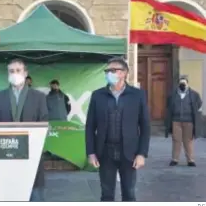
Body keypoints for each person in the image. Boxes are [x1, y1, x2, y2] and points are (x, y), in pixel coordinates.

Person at [85, 57, 150, 202]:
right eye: (107, 71)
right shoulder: (98, 95)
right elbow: (90, 126)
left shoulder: (137, 95)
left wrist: (142, 154)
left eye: (113, 70)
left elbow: (145, 126)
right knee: (106, 195)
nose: (109, 73)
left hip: (129, 153)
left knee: (129, 194)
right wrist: (91, 152)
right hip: (105, 152)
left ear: (124, 73)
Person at [0, 59, 48, 202]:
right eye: (11, 71)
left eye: (18, 70)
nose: (15, 74)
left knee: (35, 196)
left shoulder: (38, 97)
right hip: (4, 154)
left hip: (31, 156)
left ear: (25, 73)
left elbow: (43, 123)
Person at [165, 75, 203, 167]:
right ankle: (175, 159)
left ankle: (190, 160)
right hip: (176, 121)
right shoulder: (173, 94)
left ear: (187, 83)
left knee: (188, 141)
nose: (182, 85)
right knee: (176, 140)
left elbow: (199, 104)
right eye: (181, 83)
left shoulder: (194, 94)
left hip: (189, 121)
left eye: (184, 83)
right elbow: (168, 105)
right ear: (179, 83)